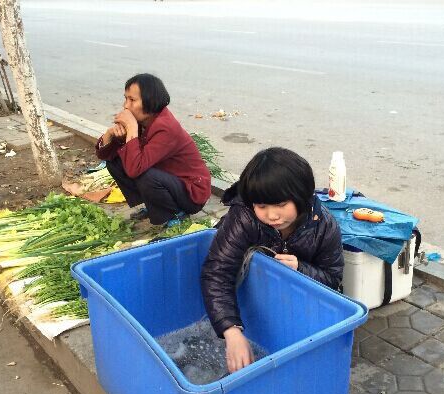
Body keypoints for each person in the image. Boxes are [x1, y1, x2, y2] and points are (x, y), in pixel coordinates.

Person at [200, 147, 344, 373]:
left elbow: (333, 280)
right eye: (262, 206)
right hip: (247, 302)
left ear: (302, 197)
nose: (272, 215)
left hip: (290, 310)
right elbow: (218, 272)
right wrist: (232, 330)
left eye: (280, 204)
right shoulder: (243, 218)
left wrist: (301, 268)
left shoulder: (324, 226)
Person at [95, 73, 211, 226]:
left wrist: (131, 128)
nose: (125, 106)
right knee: (115, 161)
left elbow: (135, 169)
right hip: (168, 180)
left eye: (132, 100)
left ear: (150, 101)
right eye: (125, 98)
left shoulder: (165, 127)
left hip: (190, 193)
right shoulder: (142, 121)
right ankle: (154, 206)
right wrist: (109, 134)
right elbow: (105, 155)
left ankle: (174, 215)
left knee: (145, 175)